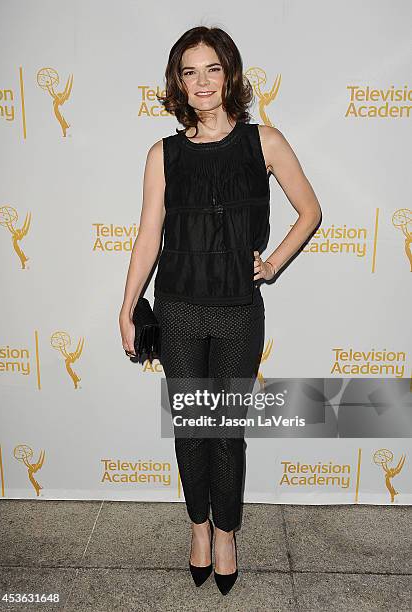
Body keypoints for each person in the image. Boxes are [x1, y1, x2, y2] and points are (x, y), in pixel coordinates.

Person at [119, 26, 321, 595]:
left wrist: (274, 262)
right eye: (189, 71)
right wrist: (128, 304)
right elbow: (149, 232)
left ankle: (227, 531)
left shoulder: (266, 142)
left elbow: (310, 211)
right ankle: (199, 527)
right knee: (192, 426)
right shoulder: (164, 153)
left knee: (226, 429)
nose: (201, 82)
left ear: (229, 74)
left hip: (237, 310)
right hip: (178, 308)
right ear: (177, 82)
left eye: (211, 69)